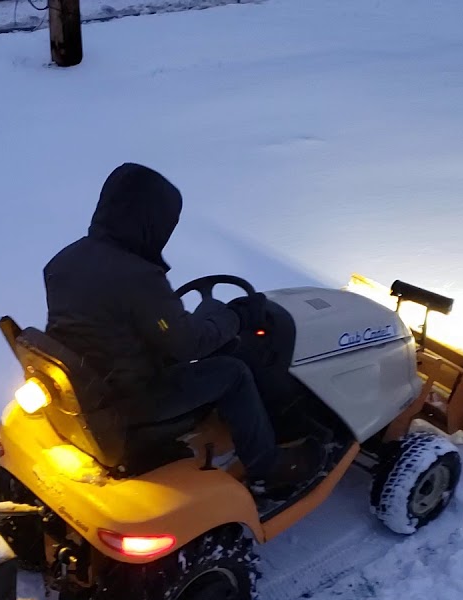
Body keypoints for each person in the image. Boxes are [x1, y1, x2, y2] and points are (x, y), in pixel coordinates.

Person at [42, 162, 312, 492]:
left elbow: (116, 327)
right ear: (150, 220)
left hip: (93, 387)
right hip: (133, 399)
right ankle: (267, 467)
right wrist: (237, 316)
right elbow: (187, 344)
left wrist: (194, 323)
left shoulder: (66, 259)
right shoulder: (139, 277)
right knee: (234, 372)